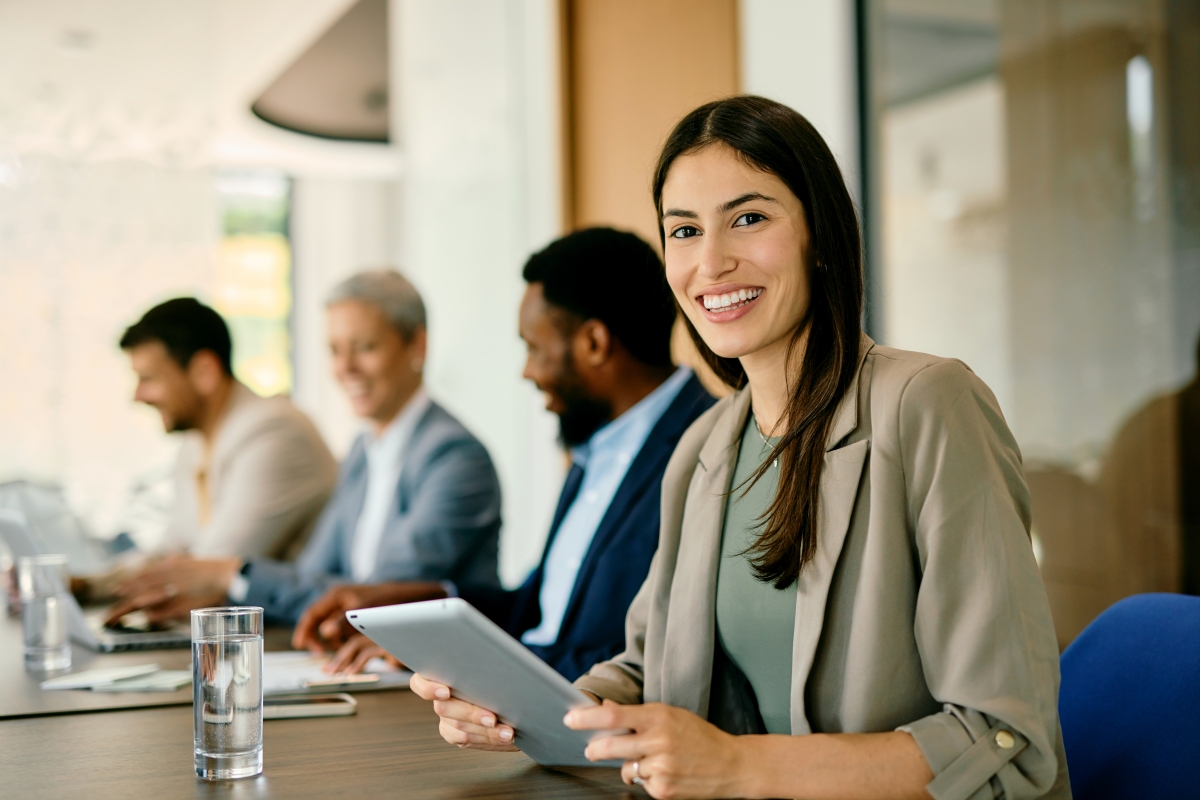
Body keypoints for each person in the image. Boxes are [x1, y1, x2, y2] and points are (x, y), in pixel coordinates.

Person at [411, 97, 1069, 800]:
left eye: (748, 219)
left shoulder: (928, 403)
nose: (711, 262)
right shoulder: (706, 447)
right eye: (684, 231)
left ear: (820, 234)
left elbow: (1004, 739)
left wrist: (737, 765)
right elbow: (644, 669)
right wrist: (518, 712)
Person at [293, 228, 715, 681]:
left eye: (534, 347)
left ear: (594, 343)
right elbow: (536, 611)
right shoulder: (596, 448)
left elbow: (651, 652)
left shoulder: (708, 448)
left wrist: (467, 665)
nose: (527, 371)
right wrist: (409, 608)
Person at [107, 271, 502, 625]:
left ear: (417, 346)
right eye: (334, 350)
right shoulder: (365, 452)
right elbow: (319, 571)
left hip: (439, 686)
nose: (345, 367)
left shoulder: (455, 458)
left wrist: (237, 576)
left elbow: (376, 596)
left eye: (364, 347)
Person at [120, 297, 336, 559]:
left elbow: (211, 568)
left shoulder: (274, 432)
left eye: (149, 379)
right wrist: (89, 584)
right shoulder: (195, 446)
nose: (138, 396)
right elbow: (171, 550)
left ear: (204, 372)